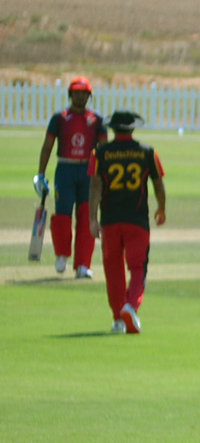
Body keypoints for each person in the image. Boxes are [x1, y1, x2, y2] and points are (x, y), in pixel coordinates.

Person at [88, 111, 166, 335]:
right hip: (137, 219)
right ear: (133, 129)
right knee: (138, 267)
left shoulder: (99, 153)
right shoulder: (148, 152)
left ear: (113, 129)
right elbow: (159, 184)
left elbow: (95, 186)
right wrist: (162, 209)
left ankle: (117, 319)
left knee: (113, 270)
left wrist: (93, 218)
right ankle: (131, 306)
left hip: (110, 219)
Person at [36, 76, 107, 279]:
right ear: (70, 94)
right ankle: (61, 255)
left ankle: (83, 265)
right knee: (63, 216)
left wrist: (104, 175)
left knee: (87, 217)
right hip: (65, 169)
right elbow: (48, 146)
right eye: (76, 92)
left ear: (89, 96)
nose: (80, 96)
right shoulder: (60, 118)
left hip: (88, 172)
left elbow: (104, 150)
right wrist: (41, 174)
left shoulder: (97, 120)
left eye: (84, 93)